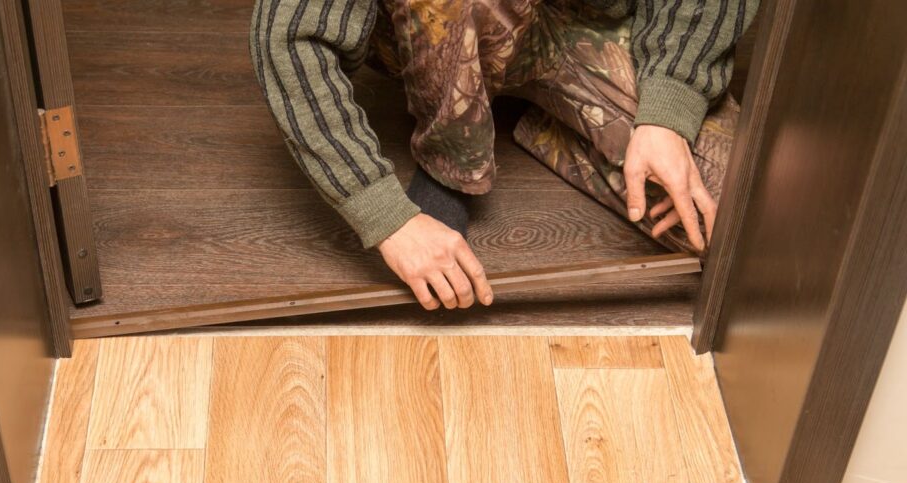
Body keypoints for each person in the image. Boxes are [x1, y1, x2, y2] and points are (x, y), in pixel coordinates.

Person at [250, 0, 758, 310]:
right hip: (445, 27)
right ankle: (454, 152)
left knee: (732, 219)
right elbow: (287, 37)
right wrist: (386, 217)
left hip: (581, 21)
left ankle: (528, 110)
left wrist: (668, 111)